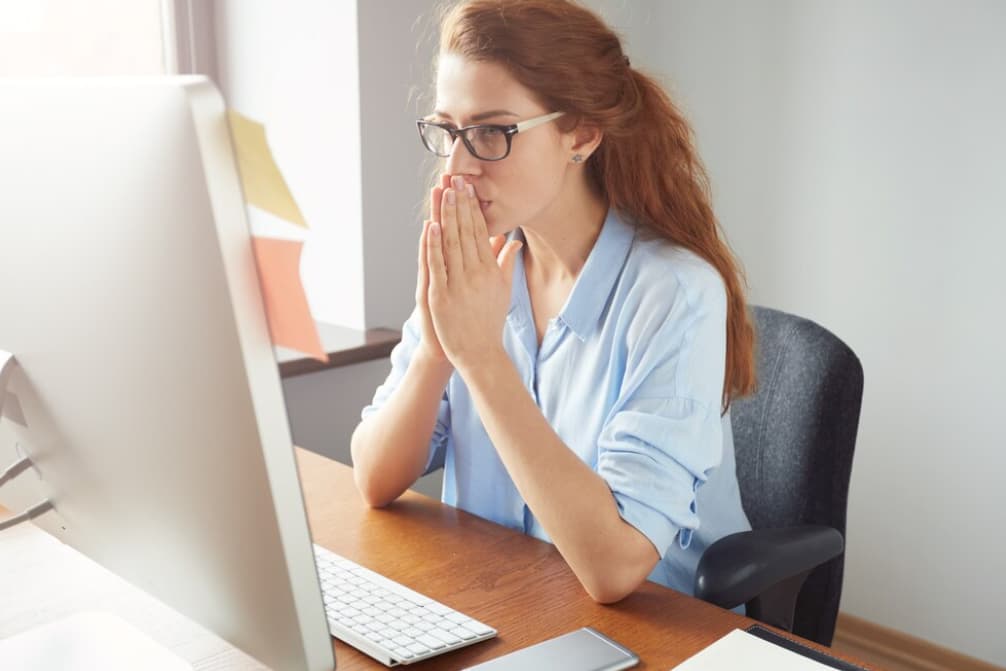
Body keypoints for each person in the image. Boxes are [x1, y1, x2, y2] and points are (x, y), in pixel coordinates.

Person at [351, 0, 756, 605]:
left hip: (658, 628)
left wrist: (481, 358)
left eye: (491, 132)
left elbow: (616, 568)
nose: (457, 168)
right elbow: (375, 478)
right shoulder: (479, 266)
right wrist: (439, 346)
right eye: (448, 132)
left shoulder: (675, 294)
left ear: (582, 134)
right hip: (508, 601)